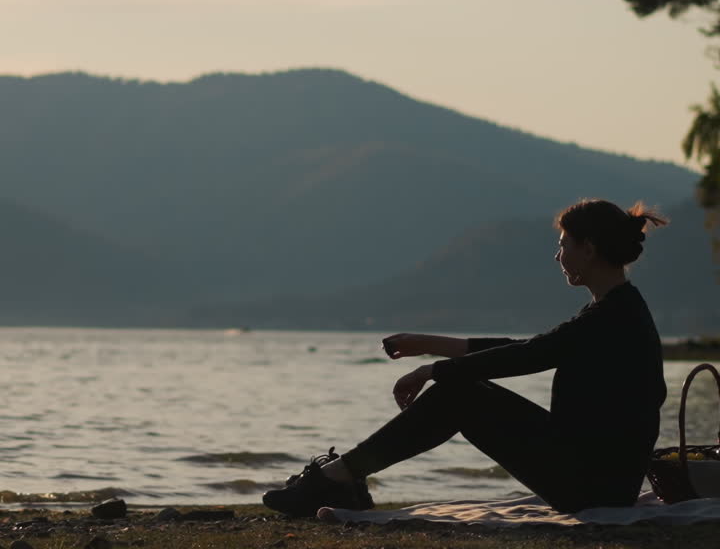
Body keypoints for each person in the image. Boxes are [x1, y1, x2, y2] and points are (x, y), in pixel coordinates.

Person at [262, 199, 668, 518]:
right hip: (597, 478)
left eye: (563, 246)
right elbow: (525, 346)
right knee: (462, 391)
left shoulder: (611, 317)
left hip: (593, 486)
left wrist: (434, 370)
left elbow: (531, 355)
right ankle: (343, 477)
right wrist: (429, 345)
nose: (557, 256)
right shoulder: (619, 310)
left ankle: (338, 478)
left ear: (589, 249)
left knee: (458, 395)